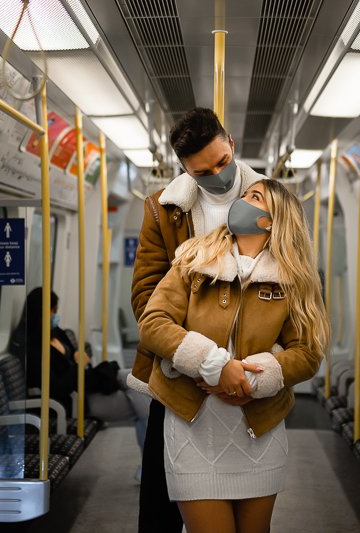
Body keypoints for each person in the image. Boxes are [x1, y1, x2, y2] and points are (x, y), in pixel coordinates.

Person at [138, 179, 329, 533]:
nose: (241, 200)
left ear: (269, 221)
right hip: (192, 426)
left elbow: (308, 352)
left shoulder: (293, 280)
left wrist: (252, 379)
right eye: (244, 195)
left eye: (254, 197)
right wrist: (215, 365)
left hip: (259, 428)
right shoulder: (194, 258)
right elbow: (153, 322)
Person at [130, 107, 265, 532]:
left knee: (247, 513)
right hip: (177, 374)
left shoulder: (272, 202)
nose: (217, 175)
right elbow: (146, 298)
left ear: (233, 144)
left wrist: (250, 369)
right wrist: (200, 358)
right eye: (202, 173)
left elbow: (294, 296)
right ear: (185, 172)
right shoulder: (162, 210)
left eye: (223, 162)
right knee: (159, 506)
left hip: (251, 370)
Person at [10, 287, 150, 455]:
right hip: (74, 398)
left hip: (88, 383)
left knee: (137, 380)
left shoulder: (56, 332)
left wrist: (76, 357)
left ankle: (147, 468)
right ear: (39, 312)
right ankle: (149, 465)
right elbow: (57, 387)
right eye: (52, 311)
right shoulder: (31, 349)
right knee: (142, 406)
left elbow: (72, 357)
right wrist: (77, 365)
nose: (55, 316)